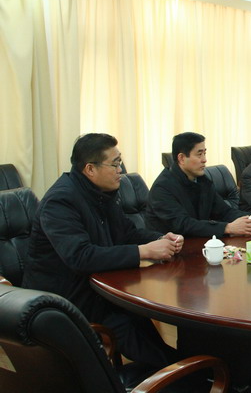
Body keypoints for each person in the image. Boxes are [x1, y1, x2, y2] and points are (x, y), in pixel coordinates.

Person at [23, 133, 183, 368]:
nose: (121, 170)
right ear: (90, 169)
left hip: (102, 288)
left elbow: (127, 232)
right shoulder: (60, 201)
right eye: (115, 164)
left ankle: (187, 367)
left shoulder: (101, 193)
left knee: (142, 321)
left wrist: (161, 239)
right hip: (69, 300)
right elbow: (81, 257)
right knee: (132, 327)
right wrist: (145, 251)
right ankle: (181, 374)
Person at [145, 132, 251, 237]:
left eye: (205, 153)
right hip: (171, 248)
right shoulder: (162, 188)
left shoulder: (202, 180)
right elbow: (183, 224)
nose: (204, 160)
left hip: (199, 241)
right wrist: (227, 228)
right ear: (181, 158)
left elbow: (224, 212)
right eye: (199, 154)